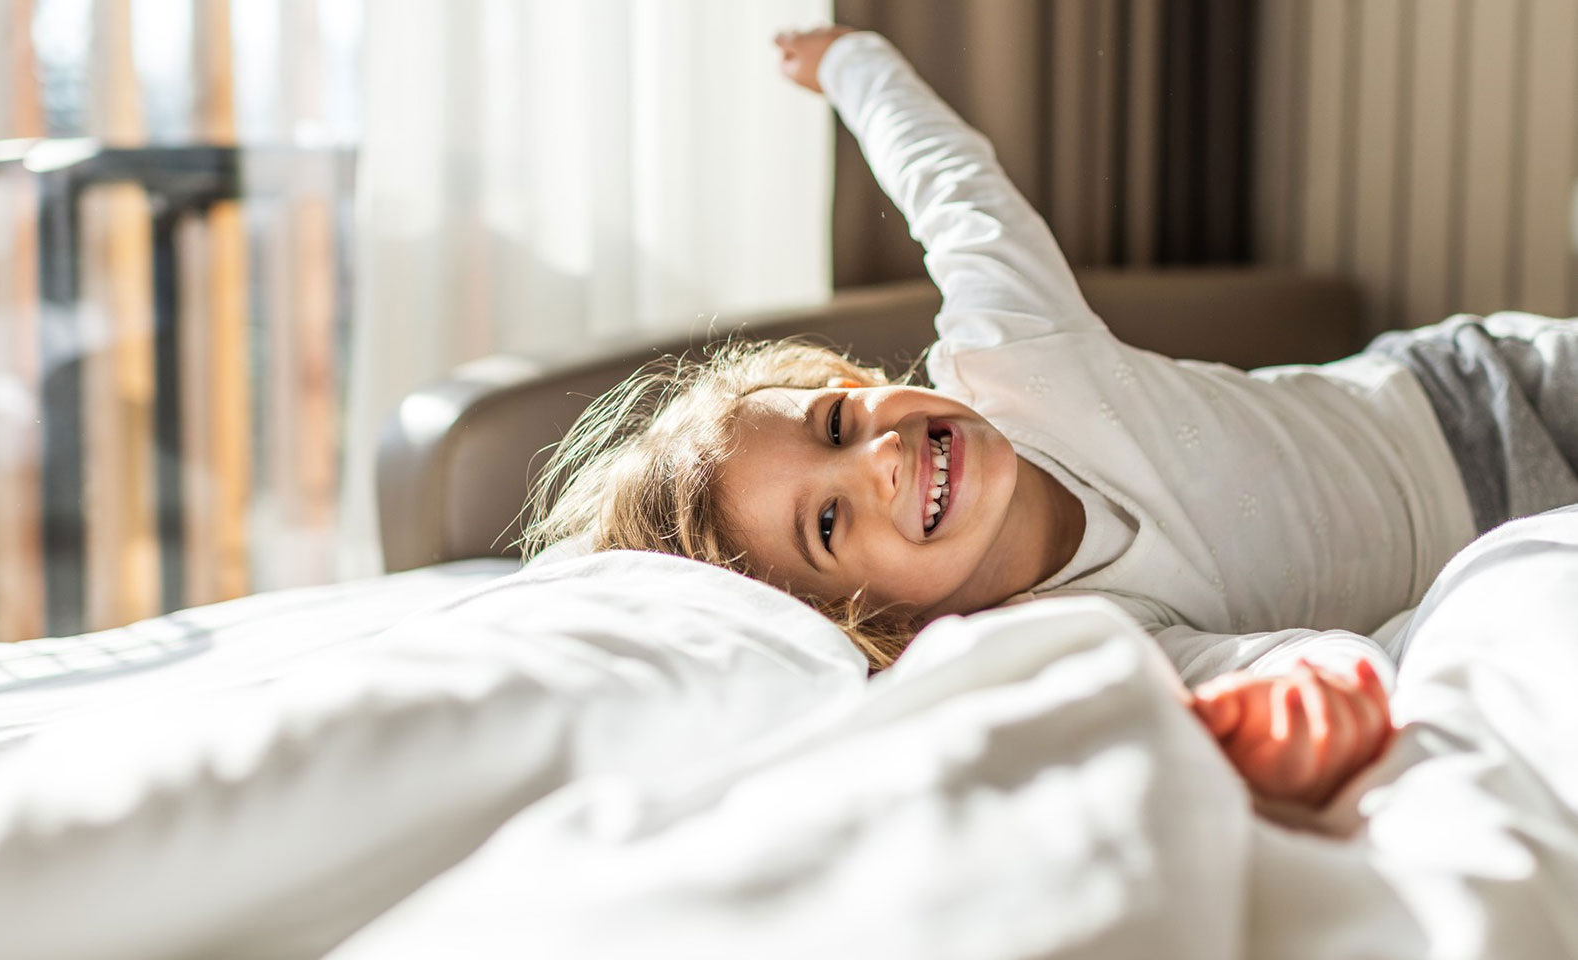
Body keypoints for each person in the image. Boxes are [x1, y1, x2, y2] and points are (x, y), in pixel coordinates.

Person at [521, 27, 1573, 806]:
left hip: (1478, 389)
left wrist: (851, 65)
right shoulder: (1070, 636)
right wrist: (1294, 712)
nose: (878, 461)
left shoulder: (1011, 358)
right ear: (871, 624)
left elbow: (953, 187)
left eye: (836, 422)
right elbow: (1264, 670)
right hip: (1511, 554)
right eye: (827, 525)